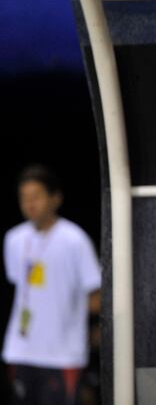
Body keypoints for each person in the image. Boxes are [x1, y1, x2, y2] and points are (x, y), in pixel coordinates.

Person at [2, 165, 101, 405]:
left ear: (55, 199)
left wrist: (87, 326)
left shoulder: (74, 239)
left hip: (62, 354)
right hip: (21, 350)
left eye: (36, 196)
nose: (30, 204)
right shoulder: (14, 239)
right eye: (24, 197)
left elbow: (97, 296)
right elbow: (22, 288)